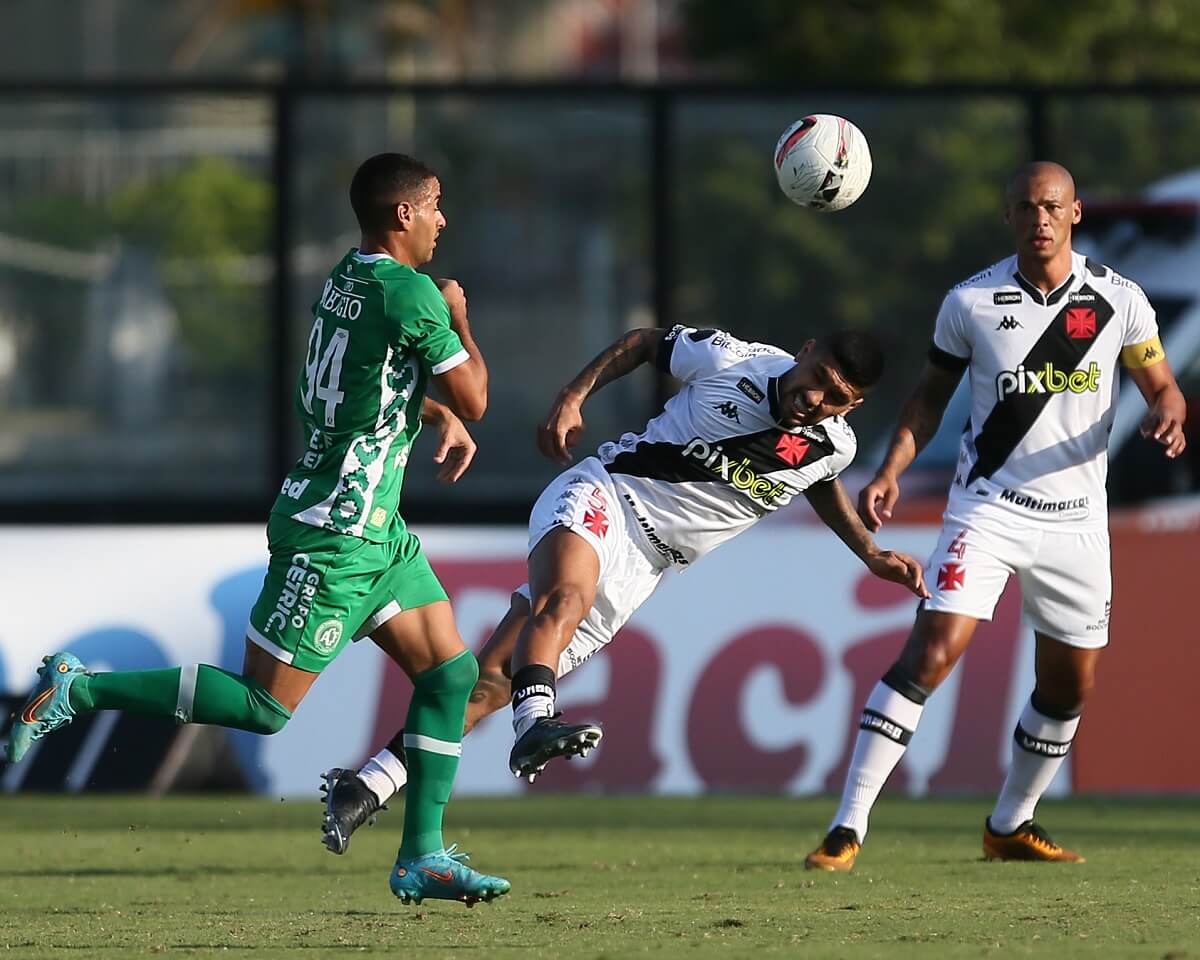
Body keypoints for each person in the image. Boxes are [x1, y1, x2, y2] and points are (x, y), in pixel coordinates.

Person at [5, 152, 510, 907]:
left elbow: (344, 390)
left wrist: (422, 412)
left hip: (378, 533)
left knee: (451, 675)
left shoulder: (346, 280)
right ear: (402, 214)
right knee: (263, 707)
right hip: (335, 534)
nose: (444, 218)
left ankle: (423, 857)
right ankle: (81, 689)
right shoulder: (416, 296)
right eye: (436, 204)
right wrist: (459, 314)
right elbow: (474, 396)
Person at [319, 322, 931, 854]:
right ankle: (537, 720)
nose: (815, 398)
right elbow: (644, 343)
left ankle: (368, 784)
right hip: (606, 496)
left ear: (850, 409)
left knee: (487, 685)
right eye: (817, 375)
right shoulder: (733, 360)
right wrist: (573, 396)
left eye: (836, 399)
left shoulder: (834, 447)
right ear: (805, 350)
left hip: (647, 566)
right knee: (565, 599)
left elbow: (820, 484)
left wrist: (871, 552)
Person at [805, 161, 1188, 872]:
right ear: (1008, 217)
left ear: (1074, 214)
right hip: (987, 510)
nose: (1038, 220)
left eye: (1051, 207)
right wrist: (889, 469)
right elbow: (927, 399)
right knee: (931, 653)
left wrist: (1169, 410)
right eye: (1024, 208)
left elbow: (1162, 382)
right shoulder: (971, 303)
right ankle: (846, 828)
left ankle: (1010, 824)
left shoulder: (1120, 299)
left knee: (1069, 687)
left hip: (1076, 523)